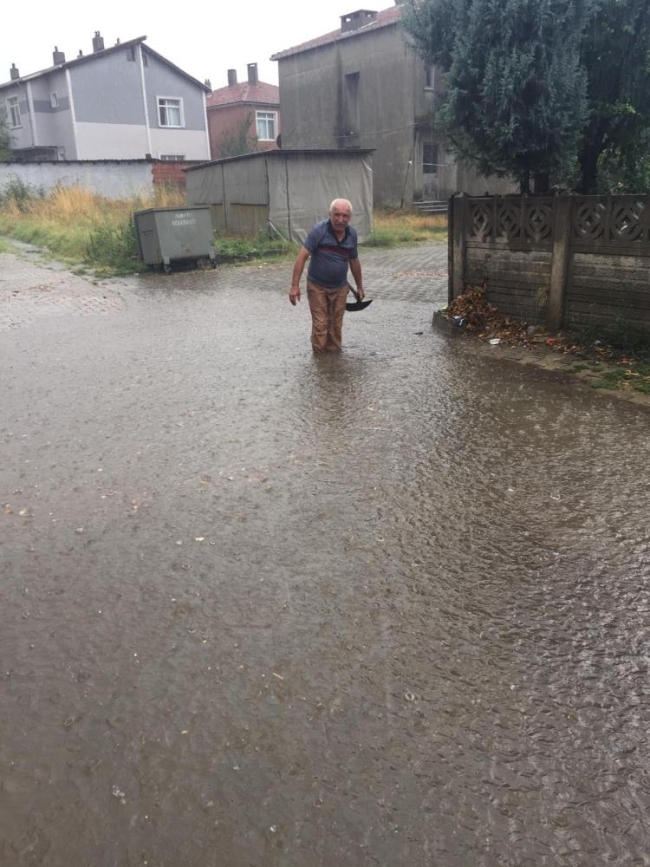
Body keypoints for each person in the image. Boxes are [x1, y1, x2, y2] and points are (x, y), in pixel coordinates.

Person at [289, 198, 365, 353]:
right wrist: (294, 286)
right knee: (321, 324)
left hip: (340, 287)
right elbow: (302, 256)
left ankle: (334, 360)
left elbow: (354, 261)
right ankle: (320, 363)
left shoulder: (352, 235)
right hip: (317, 286)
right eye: (336, 215)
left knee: (336, 325)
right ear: (329, 214)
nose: (340, 220)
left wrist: (359, 286)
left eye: (345, 216)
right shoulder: (319, 231)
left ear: (349, 218)